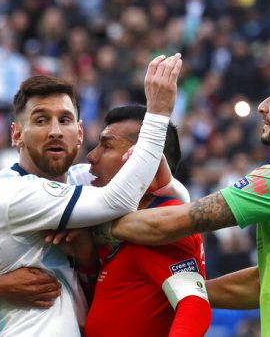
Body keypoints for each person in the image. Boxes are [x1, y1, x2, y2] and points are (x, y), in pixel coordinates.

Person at [107, 55, 270, 337]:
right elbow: (261, 283)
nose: (263, 107)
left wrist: (81, 220)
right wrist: (185, 293)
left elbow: (168, 225)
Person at [0, 75, 190, 336]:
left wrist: (87, 258)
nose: (55, 131)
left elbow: (164, 197)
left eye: (64, 120)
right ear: (17, 134)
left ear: (79, 133)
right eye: (41, 120)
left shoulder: (91, 183)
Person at [77, 104, 211, 336]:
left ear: (142, 163)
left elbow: (194, 304)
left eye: (106, 145)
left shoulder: (166, 226)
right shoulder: (124, 227)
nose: (92, 156)